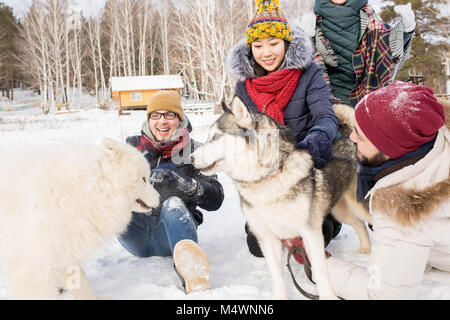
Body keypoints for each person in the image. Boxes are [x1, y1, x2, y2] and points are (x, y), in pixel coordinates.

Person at [226, 0, 342, 262]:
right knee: (257, 246)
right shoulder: (244, 85)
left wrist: (319, 136)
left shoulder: (310, 73)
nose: (266, 52)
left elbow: (325, 115)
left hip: (306, 165)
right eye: (258, 46)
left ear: (287, 43)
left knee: (322, 231)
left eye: (273, 43)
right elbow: (238, 128)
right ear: (250, 47)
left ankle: (327, 214)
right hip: (268, 174)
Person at [325, 81, 450, 299]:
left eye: (359, 135)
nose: (351, 137)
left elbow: (385, 295)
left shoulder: (404, 212)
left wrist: (324, 267)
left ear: (390, 149)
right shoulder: (434, 133)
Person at [118, 90, 224, 294]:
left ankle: (191, 274)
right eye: (155, 115)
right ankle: (65, 268)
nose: (162, 122)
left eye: (169, 115)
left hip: (172, 236)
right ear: (149, 119)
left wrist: (187, 185)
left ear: (180, 119)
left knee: (173, 203)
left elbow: (217, 198)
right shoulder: (133, 147)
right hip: (136, 234)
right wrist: (144, 160)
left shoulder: (196, 151)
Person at [299, 0, 415, 107]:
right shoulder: (312, 23)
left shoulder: (372, 23)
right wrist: (306, 40)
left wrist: (405, 31)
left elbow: (390, 56)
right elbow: (300, 70)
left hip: (367, 105)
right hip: (326, 106)